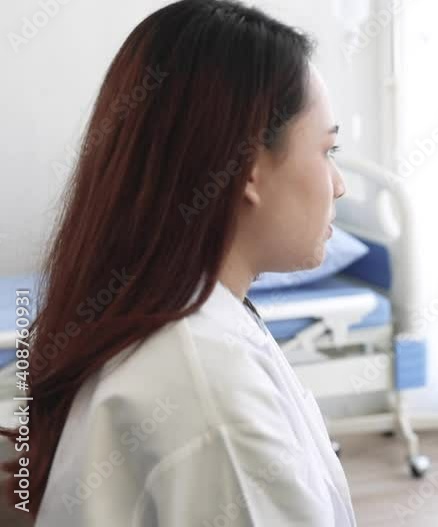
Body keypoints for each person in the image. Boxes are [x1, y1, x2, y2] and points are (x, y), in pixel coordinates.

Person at [0, 1, 356, 524]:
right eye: (327, 151)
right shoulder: (212, 386)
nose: (339, 185)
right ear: (249, 170)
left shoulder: (165, 318)